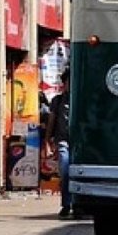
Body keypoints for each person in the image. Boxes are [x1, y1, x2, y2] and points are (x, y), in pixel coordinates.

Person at [45, 69, 73, 219]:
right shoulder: (57, 101)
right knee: (65, 170)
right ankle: (66, 204)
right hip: (63, 141)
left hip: (80, 143)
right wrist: (47, 141)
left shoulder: (81, 99)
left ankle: (78, 204)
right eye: (68, 82)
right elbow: (51, 121)